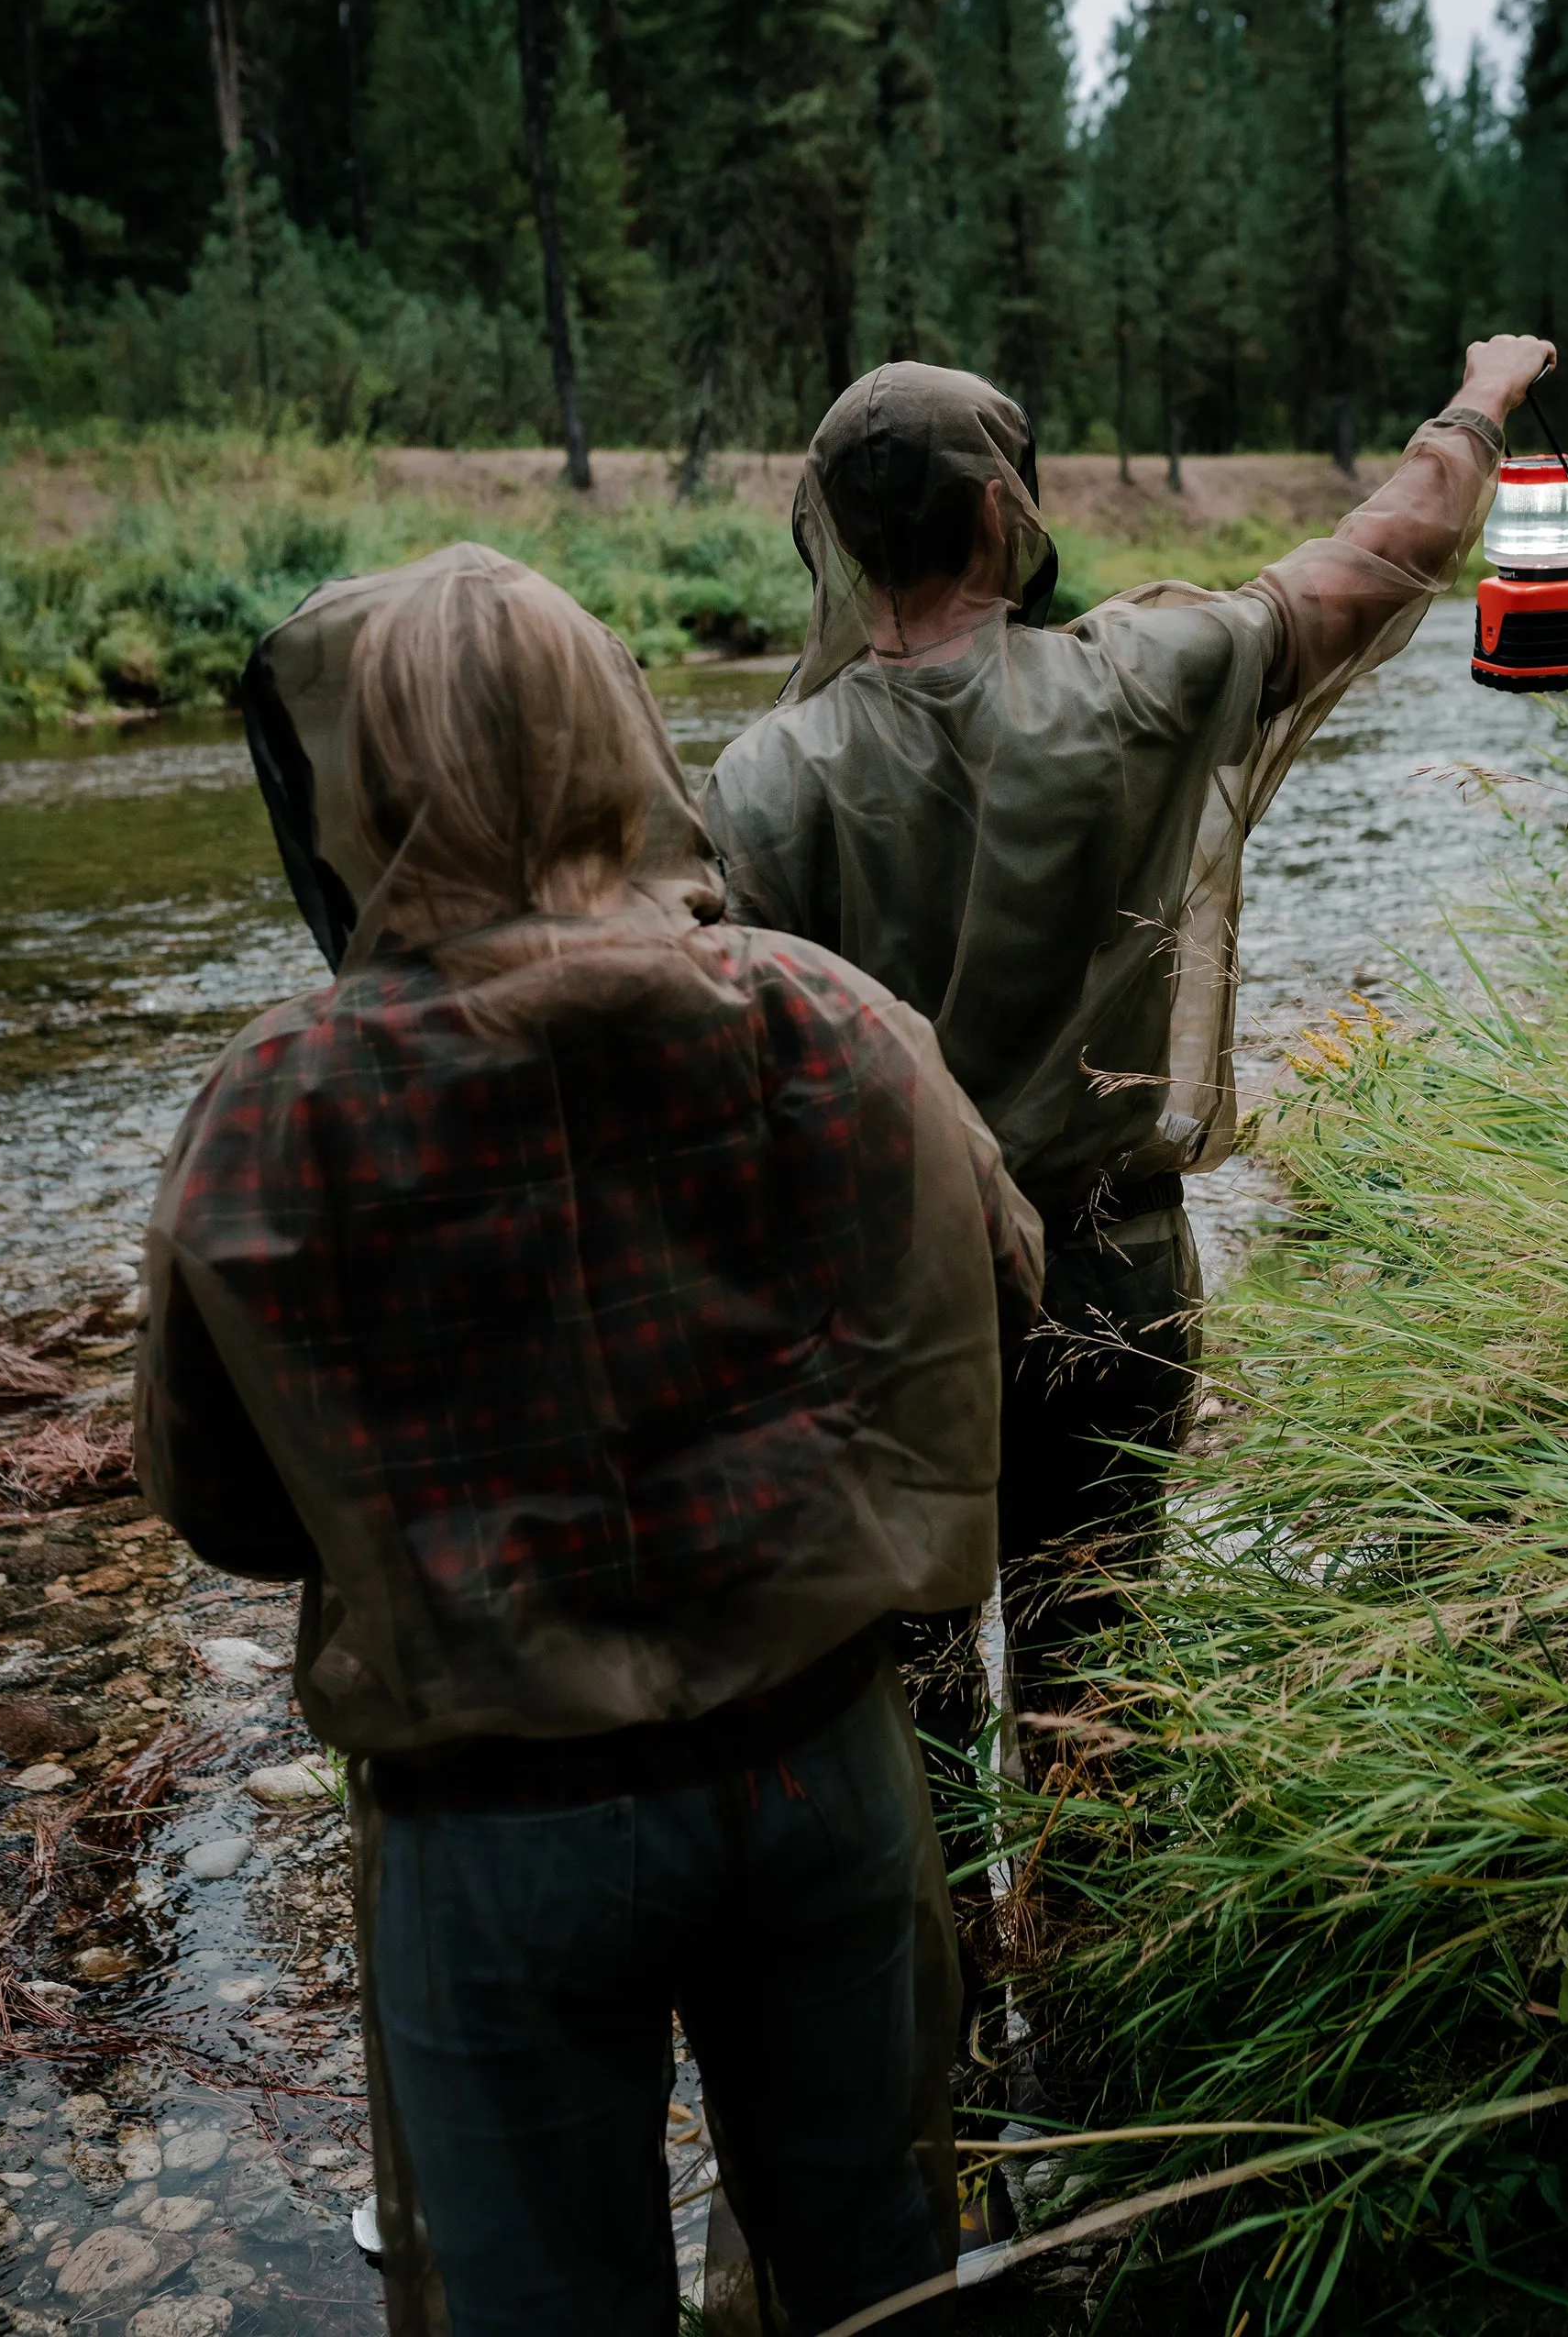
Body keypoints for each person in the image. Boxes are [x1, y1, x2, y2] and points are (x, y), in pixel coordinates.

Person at [133, 543, 1043, 2337]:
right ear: (616, 736)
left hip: (494, 1839)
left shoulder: (271, 1108)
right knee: (872, 2281)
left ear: (357, 780)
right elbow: (991, 1311)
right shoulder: (827, 1021)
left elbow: (218, 1499)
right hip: (818, 1777)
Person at [701, 337, 1555, 1787]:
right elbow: (1381, 553)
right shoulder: (1138, 680)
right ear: (1002, 515)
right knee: (1098, 1678)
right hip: (1117, 1286)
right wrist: (1480, 402)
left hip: (885, 1317)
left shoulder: (759, 781)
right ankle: (1097, 1980)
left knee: (909, 1700)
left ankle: (954, 1979)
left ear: (834, 533)